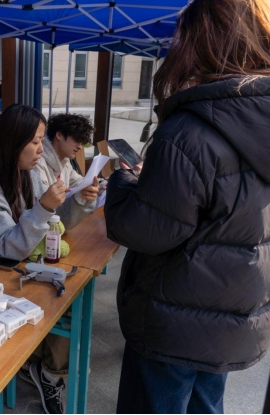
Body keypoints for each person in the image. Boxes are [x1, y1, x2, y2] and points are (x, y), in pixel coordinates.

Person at [104, 0, 270, 413]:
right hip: (234, 315)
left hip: (173, 319)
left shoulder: (189, 130)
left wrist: (124, 183)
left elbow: (146, 230)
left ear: (201, 42)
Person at [0, 104, 99, 262]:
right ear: (13, 142)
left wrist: (80, 199)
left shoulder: (28, 174)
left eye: (42, 141)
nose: (41, 149)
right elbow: (5, 248)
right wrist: (44, 207)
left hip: (12, 261)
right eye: (35, 142)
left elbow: (53, 223)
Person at [23, 112, 99, 415]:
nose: (80, 146)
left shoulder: (63, 163)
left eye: (40, 142)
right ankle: (50, 371)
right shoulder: (31, 170)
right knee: (67, 293)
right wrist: (65, 203)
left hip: (36, 247)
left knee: (71, 286)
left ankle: (42, 363)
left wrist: (89, 191)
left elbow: (52, 215)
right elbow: (43, 221)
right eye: (34, 142)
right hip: (23, 257)